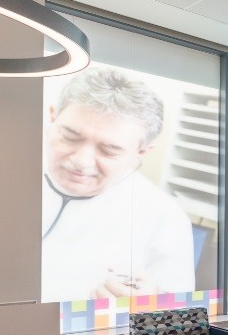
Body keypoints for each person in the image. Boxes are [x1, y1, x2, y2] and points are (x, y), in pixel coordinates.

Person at [41, 68, 194, 303]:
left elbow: (180, 322)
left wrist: (152, 305)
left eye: (109, 150)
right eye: (70, 137)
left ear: (141, 152)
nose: (81, 161)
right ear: (52, 116)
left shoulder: (164, 218)